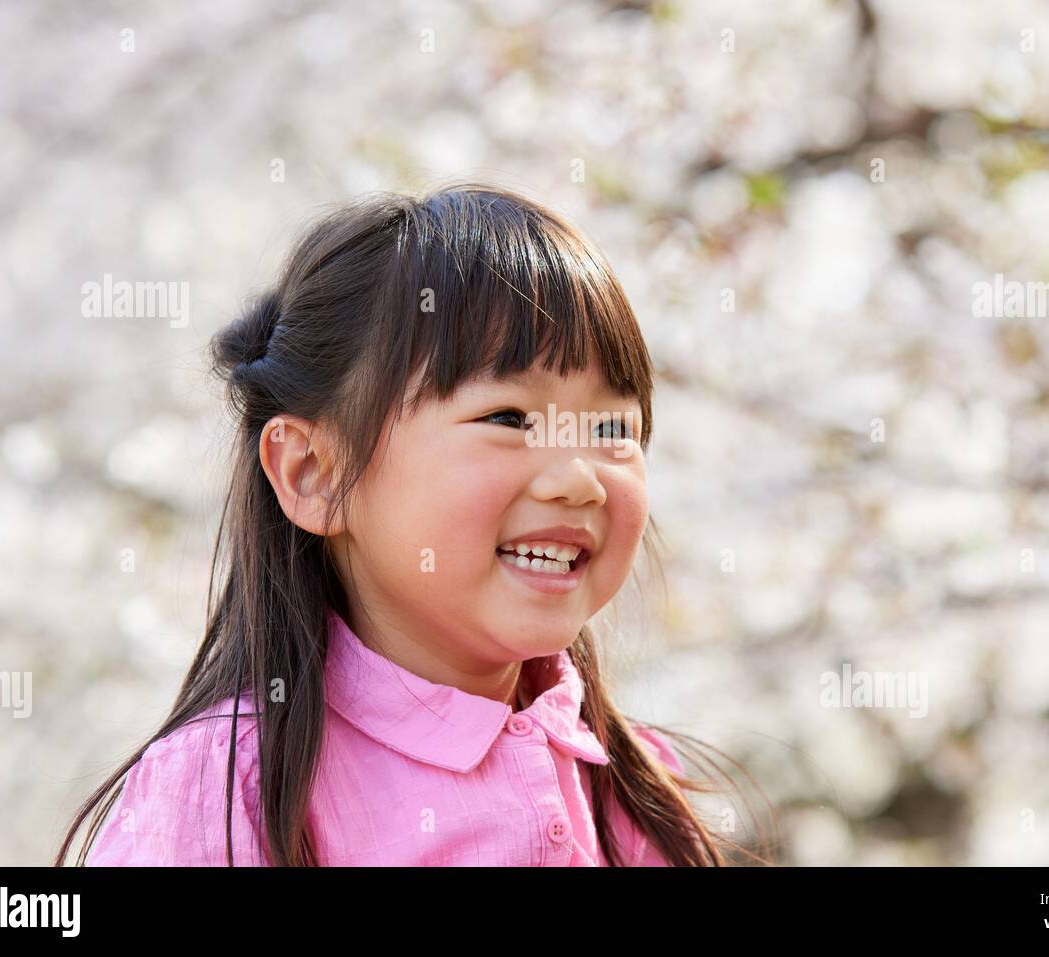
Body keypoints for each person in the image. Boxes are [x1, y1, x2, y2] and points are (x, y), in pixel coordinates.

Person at [56, 182, 730, 866]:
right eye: (507, 418)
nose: (579, 478)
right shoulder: (225, 794)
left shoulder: (637, 795)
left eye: (612, 427)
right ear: (312, 473)